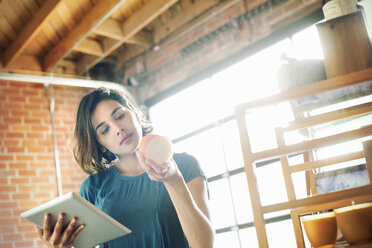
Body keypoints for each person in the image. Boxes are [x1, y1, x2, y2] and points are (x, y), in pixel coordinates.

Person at [36, 87, 214, 248]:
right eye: (104, 130)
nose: (118, 129)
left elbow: (204, 244)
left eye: (120, 116)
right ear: (100, 144)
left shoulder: (185, 165)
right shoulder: (93, 187)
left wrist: (173, 180)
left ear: (135, 114)